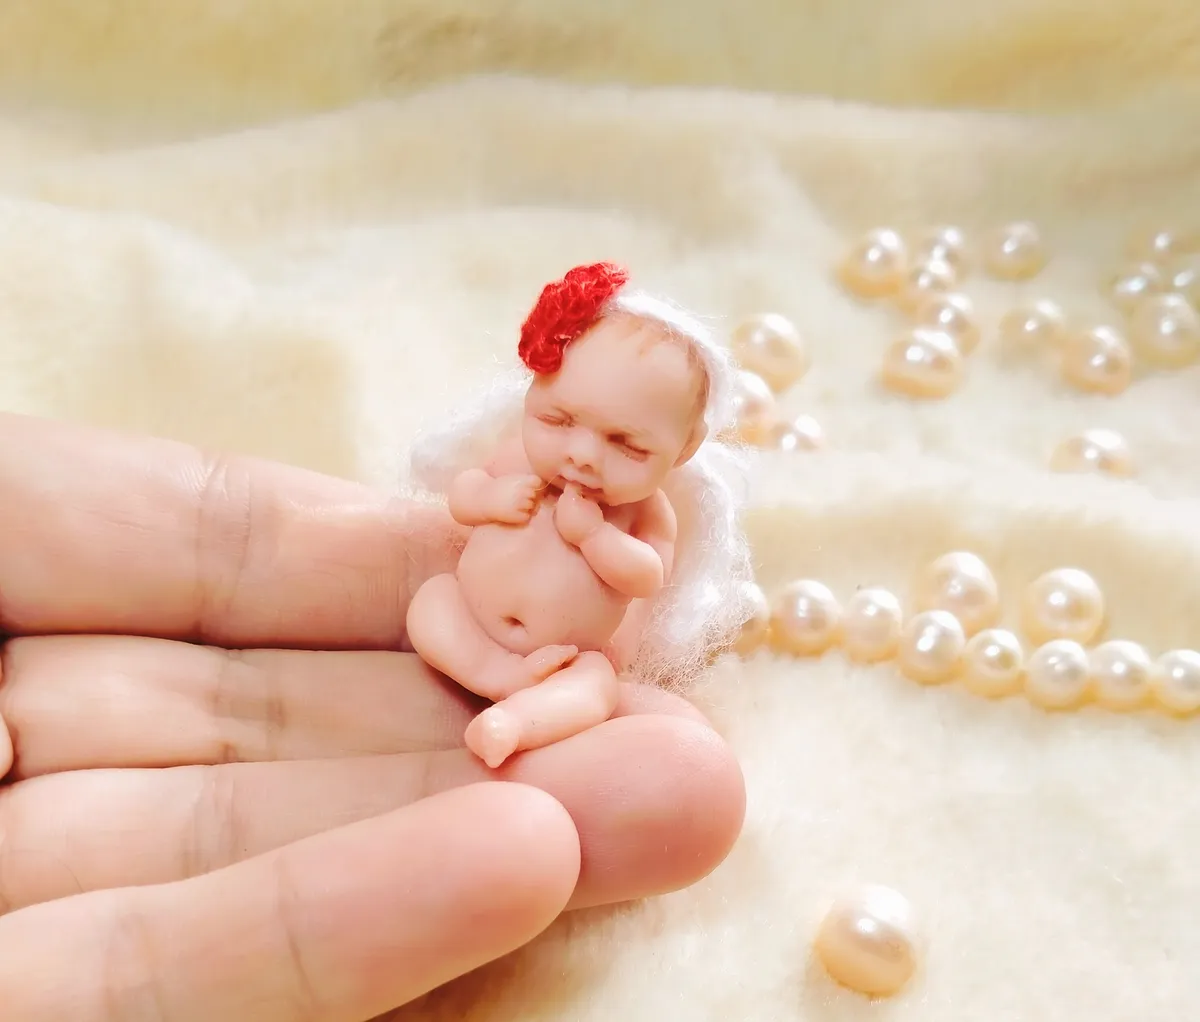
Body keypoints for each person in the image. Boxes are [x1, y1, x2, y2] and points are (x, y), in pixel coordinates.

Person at [0, 411, 746, 1020]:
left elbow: (643, 573)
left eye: (625, 443)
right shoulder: (524, 461)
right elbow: (468, 498)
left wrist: (594, 537)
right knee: (431, 606)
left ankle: (517, 721)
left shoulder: (645, 512)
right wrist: (496, 503)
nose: (583, 452)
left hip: (563, 656)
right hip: (472, 631)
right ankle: (500, 685)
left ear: (679, 449)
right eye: (561, 420)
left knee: (592, 686)